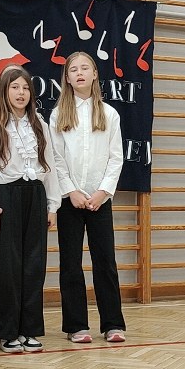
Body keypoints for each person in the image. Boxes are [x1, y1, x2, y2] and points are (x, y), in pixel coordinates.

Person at [49, 51, 126, 344]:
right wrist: (70, 190)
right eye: (73, 70)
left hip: (99, 200)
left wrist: (102, 192)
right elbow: (56, 158)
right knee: (70, 263)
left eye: (85, 68)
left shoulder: (109, 114)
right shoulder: (58, 114)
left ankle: (113, 323)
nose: (79, 73)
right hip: (71, 201)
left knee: (105, 261)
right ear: (67, 78)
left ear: (94, 74)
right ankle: (76, 325)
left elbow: (116, 158)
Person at [0, 67, 59, 354]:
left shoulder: (40, 124)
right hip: (7, 195)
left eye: (25, 88)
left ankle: (30, 329)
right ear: (4, 91)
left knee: (34, 264)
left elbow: (50, 166)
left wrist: (52, 205)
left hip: (35, 194)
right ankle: (8, 331)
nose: (21, 93)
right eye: (14, 87)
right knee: (9, 265)